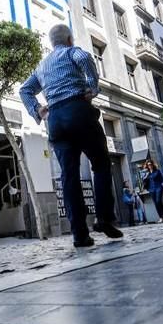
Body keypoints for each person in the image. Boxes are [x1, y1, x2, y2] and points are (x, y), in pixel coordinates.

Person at [20, 24, 123, 247]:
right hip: (78, 111)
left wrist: (37, 109)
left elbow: (24, 90)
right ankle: (104, 218)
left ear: (51, 42)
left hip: (55, 119)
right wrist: (92, 87)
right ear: (69, 39)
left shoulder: (41, 66)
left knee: (69, 176)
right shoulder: (71, 51)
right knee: (101, 164)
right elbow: (85, 57)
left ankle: (79, 234)